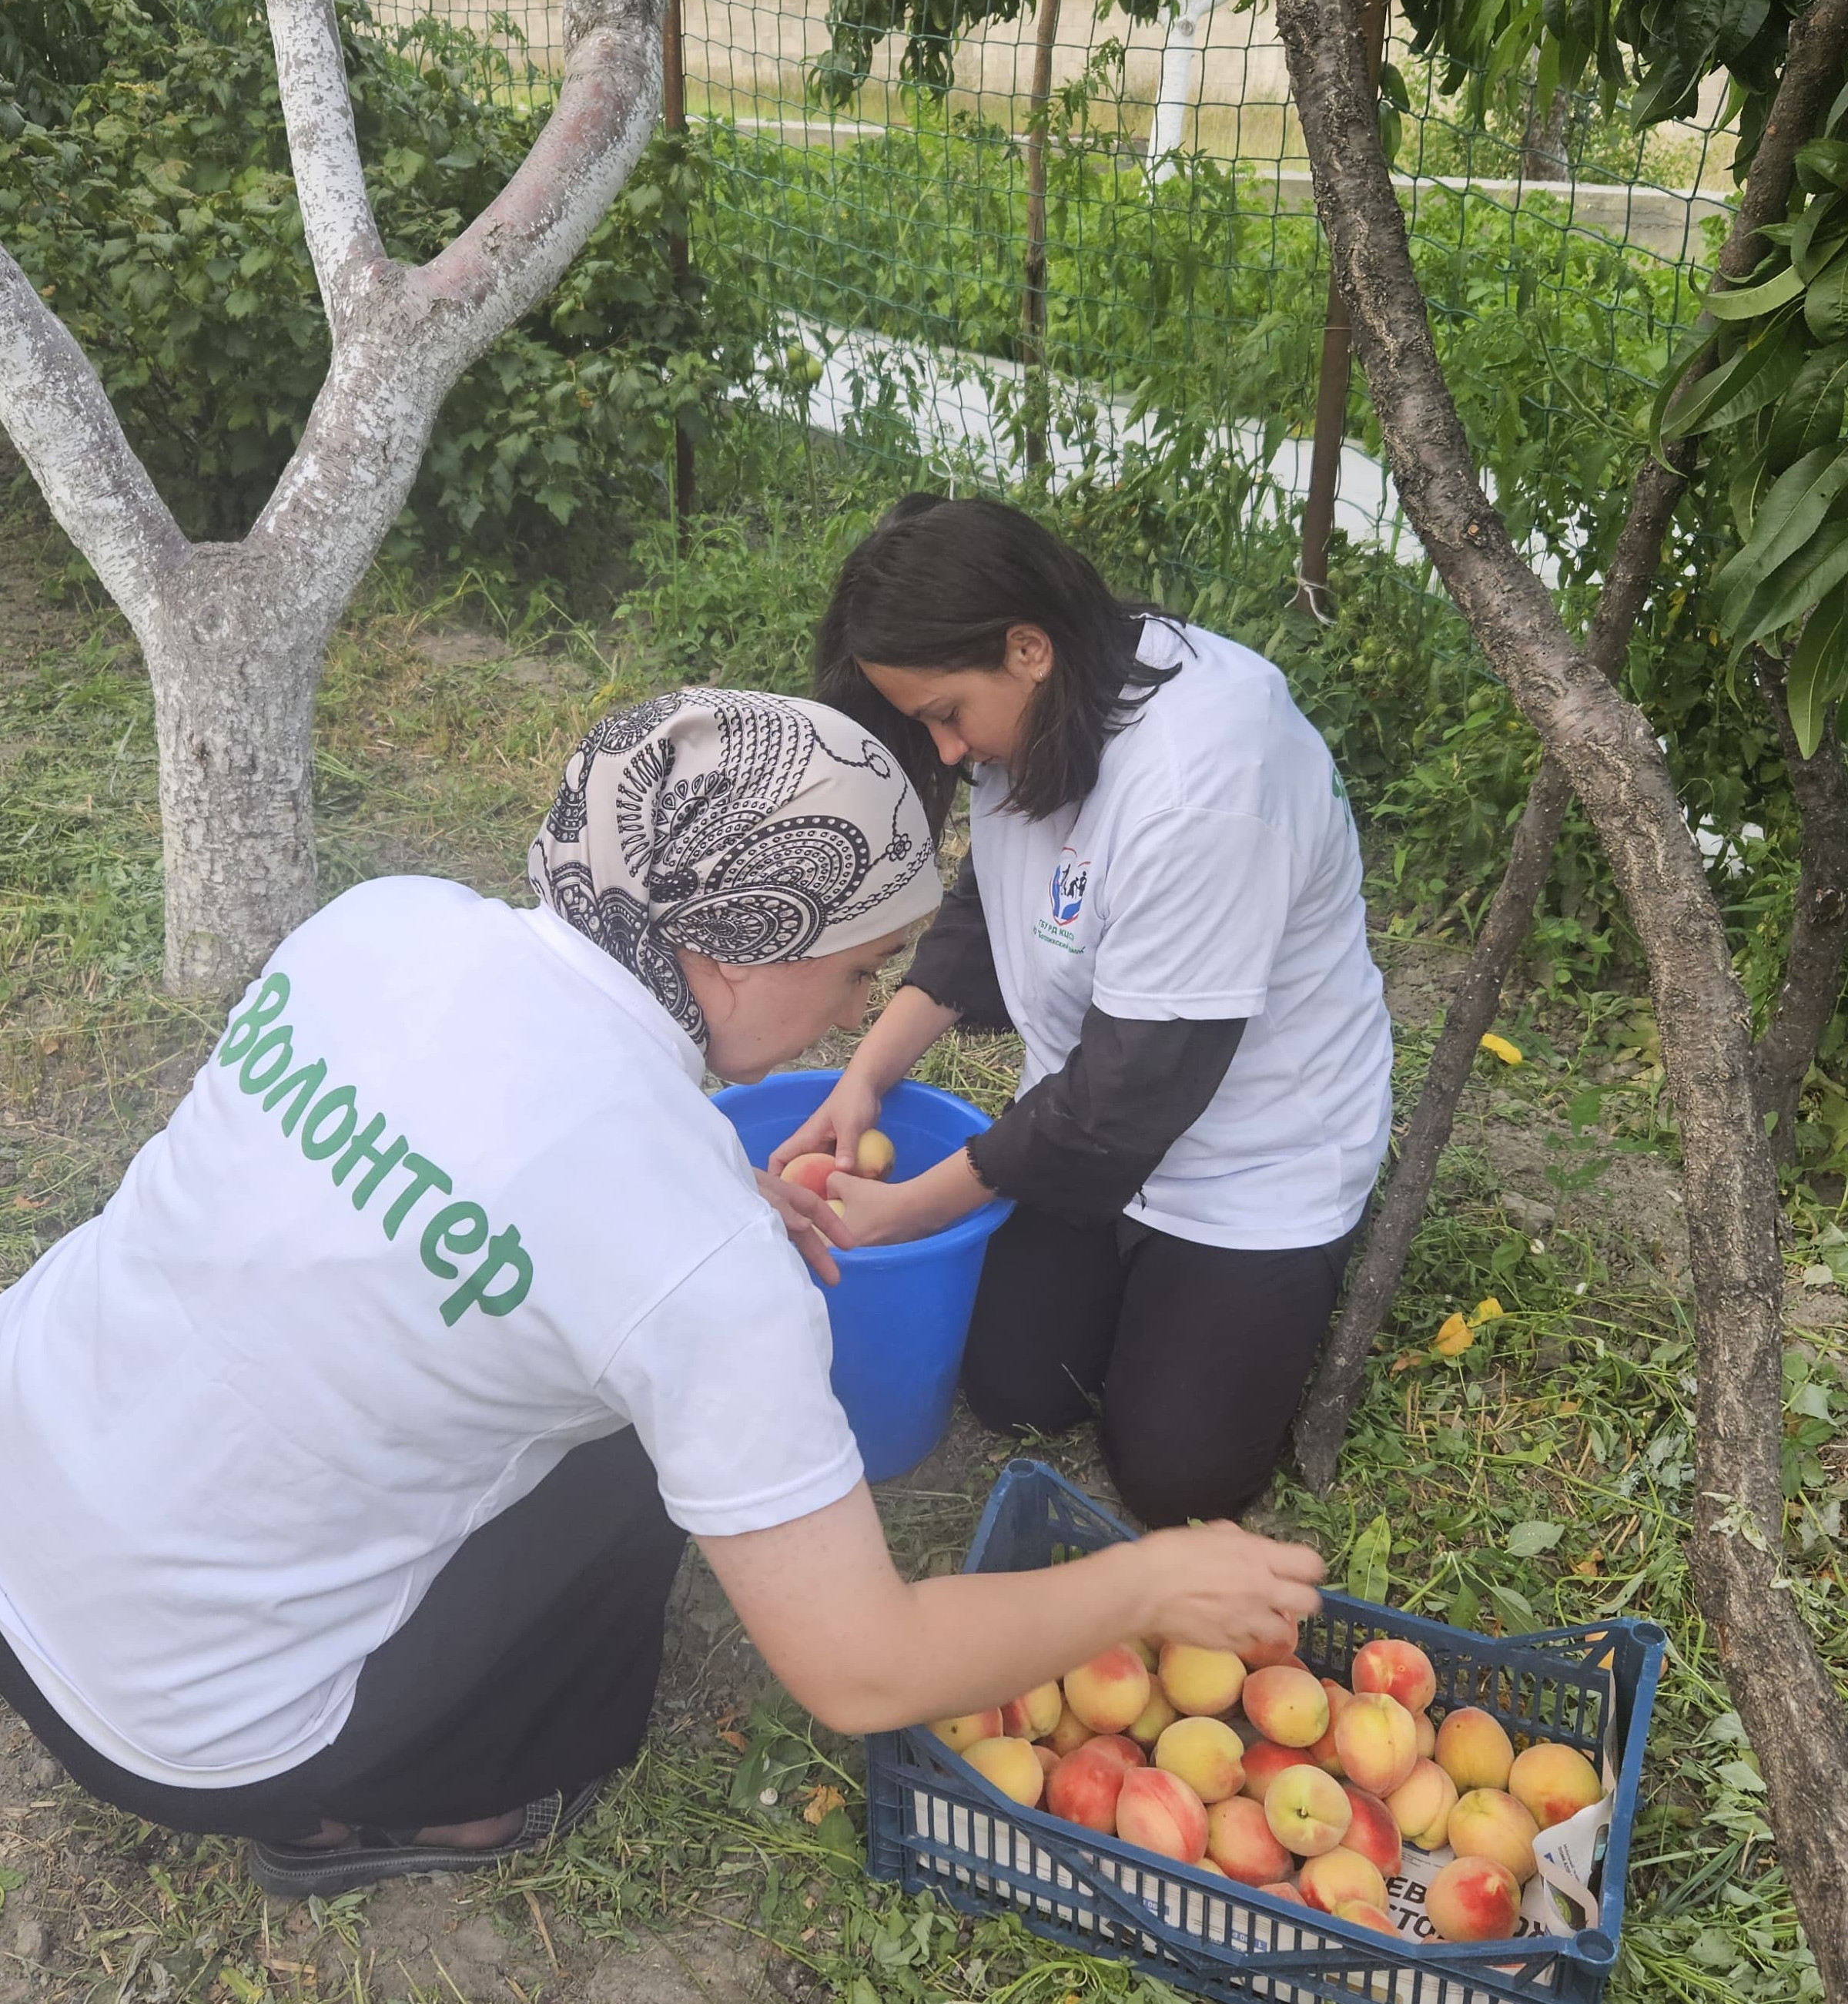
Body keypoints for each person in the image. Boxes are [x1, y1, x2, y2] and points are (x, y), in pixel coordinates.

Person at [0, 688, 1324, 1900]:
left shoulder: (385, 920)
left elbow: (493, 1135)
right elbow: (866, 1670)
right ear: (741, 953)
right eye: (858, 971)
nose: (854, 1012)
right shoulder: (703, 1272)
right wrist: (1148, 1583)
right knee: (646, 1444)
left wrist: (708, 1198)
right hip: (201, 1735)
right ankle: (442, 1802)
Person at [774, 498, 1393, 1529]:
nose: (946, 750)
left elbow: (1130, 1094)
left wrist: (907, 1212)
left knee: (1178, 1479)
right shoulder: (1042, 706)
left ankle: (1257, 1283)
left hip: (1246, 1157)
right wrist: (864, 1080)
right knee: (1015, 1389)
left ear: (1028, 648)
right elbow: (985, 911)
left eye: (945, 715)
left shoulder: (1203, 783)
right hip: (1084, 1110)